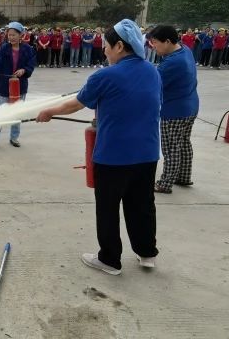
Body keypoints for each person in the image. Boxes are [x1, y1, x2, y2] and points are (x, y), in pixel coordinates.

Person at [36, 19, 160, 275]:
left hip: (114, 155)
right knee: (142, 205)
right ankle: (147, 253)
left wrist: (49, 111)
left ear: (119, 46)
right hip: (147, 153)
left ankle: (110, 260)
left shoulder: (105, 75)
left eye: (106, 45)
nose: (103, 50)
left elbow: (75, 104)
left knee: (108, 207)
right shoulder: (152, 71)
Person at [148, 25, 199, 194]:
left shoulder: (172, 63)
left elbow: (152, 85)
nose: (153, 47)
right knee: (183, 142)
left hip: (175, 110)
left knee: (171, 148)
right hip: (191, 105)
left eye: (155, 43)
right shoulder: (185, 50)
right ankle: (183, 176)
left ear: (168, 41)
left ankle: (165, 183)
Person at [0, 22, 36, 150]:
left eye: (14, 35)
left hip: (20, 87)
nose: (11, 37)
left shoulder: (27, 49)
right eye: (9, 35)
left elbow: (31, 64)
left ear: (21, 35)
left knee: (17, 114)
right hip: (3, 86)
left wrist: (24, 70)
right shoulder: (4, 48)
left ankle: (14, 138)